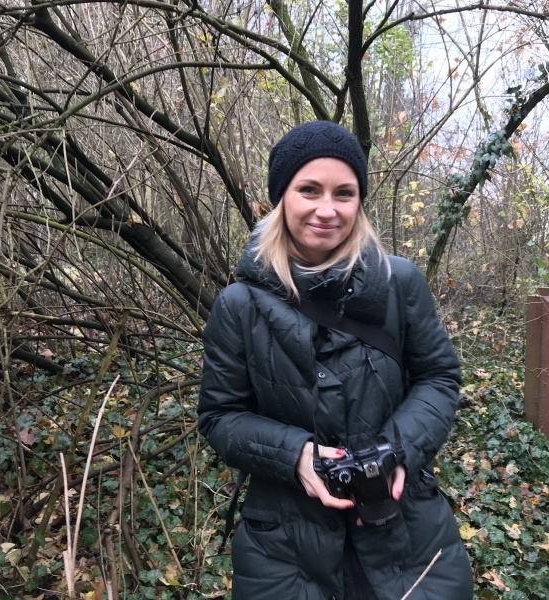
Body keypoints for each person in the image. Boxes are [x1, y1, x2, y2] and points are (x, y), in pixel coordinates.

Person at [197, 120, 474, 600]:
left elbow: (439, 377)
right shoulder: (238, 306)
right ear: (282, 196)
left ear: (359, 203)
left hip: (404, 531)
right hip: (284, 547)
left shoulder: (400, 283)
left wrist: (398, 449)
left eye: (344, 194)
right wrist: (295, 455)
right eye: (309, 190)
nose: (327, 209)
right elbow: (220, 416)